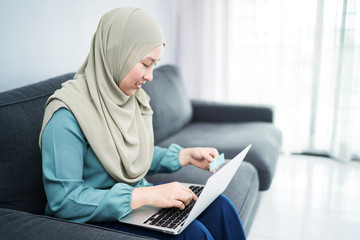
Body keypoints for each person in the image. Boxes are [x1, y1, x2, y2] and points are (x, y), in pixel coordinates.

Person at [39, 7, 246, 240]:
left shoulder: (131, 98)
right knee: (193, 235)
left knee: (221, 208)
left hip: (136, 202)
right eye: (146, 63)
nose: (150, 77)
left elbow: (132, 156)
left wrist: (185, 156)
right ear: (117, 53)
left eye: (154, 65)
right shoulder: (66, 113)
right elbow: (64, 201)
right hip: (99, 218)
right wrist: (144, 196)